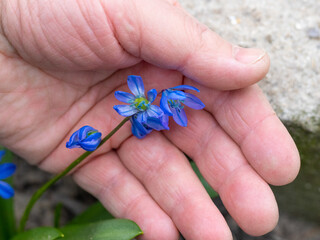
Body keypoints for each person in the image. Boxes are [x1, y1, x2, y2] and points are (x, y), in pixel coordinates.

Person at [0, 0, 300, 239]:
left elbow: (153, 114)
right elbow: (134, 111)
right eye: (142, 103)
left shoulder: (146, 106)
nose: (144, 103)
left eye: (145, 103)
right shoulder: (137, 105)